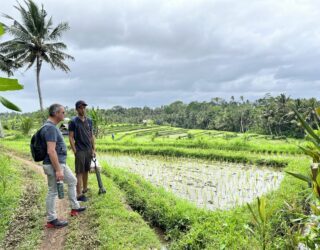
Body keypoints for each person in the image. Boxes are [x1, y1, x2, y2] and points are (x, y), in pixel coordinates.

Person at [42, 104, 86, 229]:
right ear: (56, 113)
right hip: (54, 165)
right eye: (63, 112)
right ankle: (51, 220)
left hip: (59, 163)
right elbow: (51, 151)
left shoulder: (51, 127)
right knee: (53, 191)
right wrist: (58, 170)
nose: (64, 114)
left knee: (72, 180)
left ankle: (75, 207)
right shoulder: (50, 128)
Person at [68, 100, 96, 202]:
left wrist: (93, 149)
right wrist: (75, 151)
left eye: (84, 107)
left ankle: (85, 188)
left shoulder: (89, 121)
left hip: (88, 149)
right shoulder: (73, 121)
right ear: (76, 109)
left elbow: (91, 135)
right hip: (79, 150)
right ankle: (79, 194)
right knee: (79, 172)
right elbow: (70, 137)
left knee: (86, 170)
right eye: (80, 107)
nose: (82, 109)